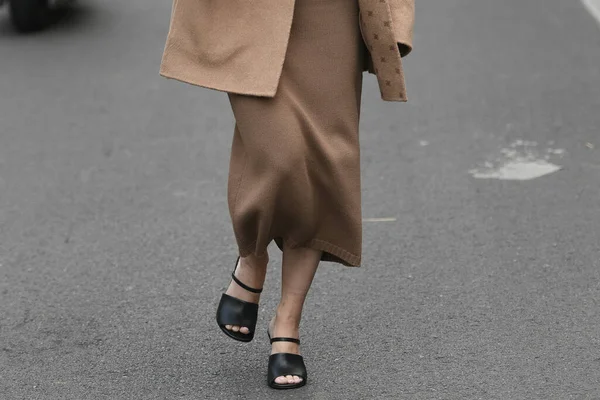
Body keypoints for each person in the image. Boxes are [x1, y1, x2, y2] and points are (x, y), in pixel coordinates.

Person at [160, 0, 414, 390]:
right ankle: (252, 256)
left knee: (322, 162)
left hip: (331, 13)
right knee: (280, 155)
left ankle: (287, 321)